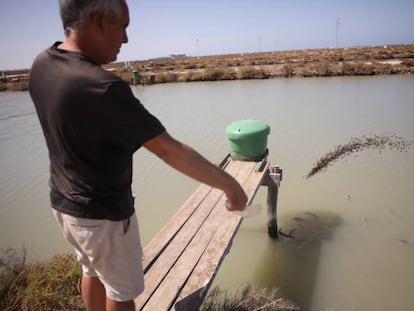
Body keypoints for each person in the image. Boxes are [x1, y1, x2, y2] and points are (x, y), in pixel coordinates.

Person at [29, 1, 248, 310]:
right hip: (103, 214)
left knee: (91, 269)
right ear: (100, 22)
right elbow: (169, 151)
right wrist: (230, 185)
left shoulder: (42, 64)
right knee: (121, 291)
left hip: (65, 205)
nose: (127, 39)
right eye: (124, 27)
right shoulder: (103, 88)